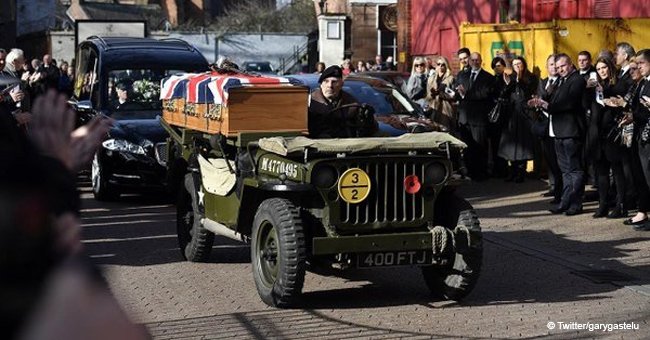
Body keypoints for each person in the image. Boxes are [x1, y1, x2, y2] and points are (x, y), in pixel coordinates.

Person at [536, 53, 587, 216]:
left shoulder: (577, 80)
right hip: (558, 131)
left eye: (563, 66)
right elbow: (556, 102)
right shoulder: (560, 81)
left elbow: (569, 103)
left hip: (571, 131)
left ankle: (576, 203)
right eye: (557, 68)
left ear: (571, 64)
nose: (560, 70)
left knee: (574, 169)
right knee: (565, 170)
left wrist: (548, 105)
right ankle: (565, 202)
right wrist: (544, 102)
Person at [586, 57, 629, 218]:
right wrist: (588, 89)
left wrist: (603, 93)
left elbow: (619, 102)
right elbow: (586, 105)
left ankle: (621, 204)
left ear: (610, 67)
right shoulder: (595, 87)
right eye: (598, 69)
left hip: (613, 133)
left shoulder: (618, 84)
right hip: (597, 134)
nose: (601, 71)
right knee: (601, 172)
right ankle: (602, 204)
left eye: (604, 68)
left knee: (617, 171)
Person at [498, 56, 539, 183]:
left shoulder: (530, 77)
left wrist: (520, 80)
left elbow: (529, 92)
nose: (517, 66)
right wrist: (508, 84)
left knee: (523, 143)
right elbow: (503, 94)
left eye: (519, 64)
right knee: (511, 144)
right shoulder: (509, 78)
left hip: (524, 114)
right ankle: (513, 171)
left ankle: (521, 172)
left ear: (524, 65)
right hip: (512, 114)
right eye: (514, 64)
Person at [455, 52, 495, 181]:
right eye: (472, 60)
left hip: (479, 119)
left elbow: (485, 94)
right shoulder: (463, 76)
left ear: (481, 61)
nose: (475, 62)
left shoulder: (488, 77)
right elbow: (458, 95)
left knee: (480, 147)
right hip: (465, 117)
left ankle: (481, 173)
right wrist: (457, 94)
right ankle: (469, 172)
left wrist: (466, 94)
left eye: (477, 60)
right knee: (467, 147)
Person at [308, 65, 376, 138]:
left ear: (341, 84)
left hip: (344, 145)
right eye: (326, 81)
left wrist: (368, 121)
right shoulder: (309, 102)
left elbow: (367, 132)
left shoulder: (351, 103)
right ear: (321, 84)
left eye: (334, 82)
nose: (330, 86)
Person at [533, 54, 563, 204]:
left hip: (557, 126)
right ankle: (554, 187)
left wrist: (545, 97)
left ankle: (561, 192)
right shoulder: (543, 81)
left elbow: (551, 100)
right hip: (544, 125)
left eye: (555, 65)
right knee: (550, 159)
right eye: (551, 65)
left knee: (559, 161)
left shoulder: (561, 82)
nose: (554, 67)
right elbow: (540, 97)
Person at [489, 56, 508, 177]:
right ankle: (497, 168)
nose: (497, 68)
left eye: (500, 65)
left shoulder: (506, 79)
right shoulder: (491, 79)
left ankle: (504, 168)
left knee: (504, 142)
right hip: (493, 115)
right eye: (495, 66)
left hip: (504, 114)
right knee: (495, 142)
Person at [425, 56, 456, 133]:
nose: (441, 66)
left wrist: (440, 94)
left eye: (443, 64)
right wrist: (432, 94)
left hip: (446, 109)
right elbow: (428, 96)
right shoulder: (431, 78)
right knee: (434, 131)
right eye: (438, 64)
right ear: (436, 66)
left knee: (446, 131)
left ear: (446, 66)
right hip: (433, 108)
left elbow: (453, 95)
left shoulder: (451, 78)